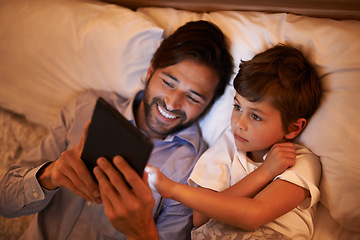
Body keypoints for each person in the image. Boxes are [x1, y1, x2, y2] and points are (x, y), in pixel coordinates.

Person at [0, 20, 233, 240]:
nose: (172, 103)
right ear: (151, 71)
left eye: (193, 97)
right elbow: (4, 201)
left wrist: (141, 232)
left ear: (208, 105)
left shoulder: (196, 168)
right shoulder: (85, 108)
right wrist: (49, 175)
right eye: (168, 83)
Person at [146, 44, 323, 239]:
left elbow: (255, 214)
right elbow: (201, 217)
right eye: (237, 106)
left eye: (255, 116)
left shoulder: (298, 162)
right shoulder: (225, 147)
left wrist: (173, 190)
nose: (239, 122)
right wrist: (264, 173)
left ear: (293, 128)